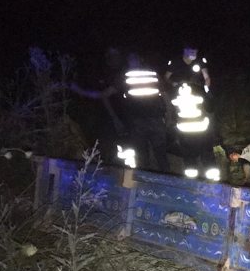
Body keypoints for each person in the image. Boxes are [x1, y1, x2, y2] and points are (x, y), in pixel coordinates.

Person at [71, 52, 169, 172]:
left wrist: (79, 90)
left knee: (145, 158)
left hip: (141, 123)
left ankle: (148, 179)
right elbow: (165, 96)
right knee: (158, 156)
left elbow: (103, 94)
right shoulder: (151, 74)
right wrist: (169, 115)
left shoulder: (127, 76)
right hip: (151, 121)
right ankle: (164, 178)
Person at [164, 44, 216, 176]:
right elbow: (166, 77)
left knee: (206, 143)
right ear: (185, 51)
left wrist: (205, 86)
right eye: (191, 51)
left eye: (196, 51)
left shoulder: (199, 62)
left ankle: (211, 173)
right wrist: (174, 84)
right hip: (181, 104)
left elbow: (207, 77)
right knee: (187, 145)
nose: (194, 53)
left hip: (199, 104)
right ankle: (191, 173)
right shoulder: (176, 63)